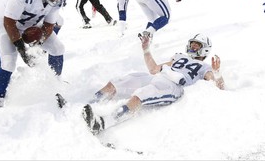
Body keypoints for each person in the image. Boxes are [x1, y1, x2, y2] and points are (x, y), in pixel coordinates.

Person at [80, 32, 224, 135]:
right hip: (159, 76)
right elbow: (153, 69)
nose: (192, 47)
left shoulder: (205, 68)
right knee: (118, 82)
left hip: (172, 86)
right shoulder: (179, 56)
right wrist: (146, 49)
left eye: (196, 45)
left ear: (204, 49)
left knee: (140, 95)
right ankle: (86, 105)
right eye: (192, 44)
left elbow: (218, 87)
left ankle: (102, 123)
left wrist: (217, 73)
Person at [0, 0, 68, 108]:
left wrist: (38, 41)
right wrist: (23, 50)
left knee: (58, 48)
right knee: (8, 62)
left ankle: (55, 87)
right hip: (5, 20)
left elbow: (49, 25)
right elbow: (9, 22)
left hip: (31, 22)